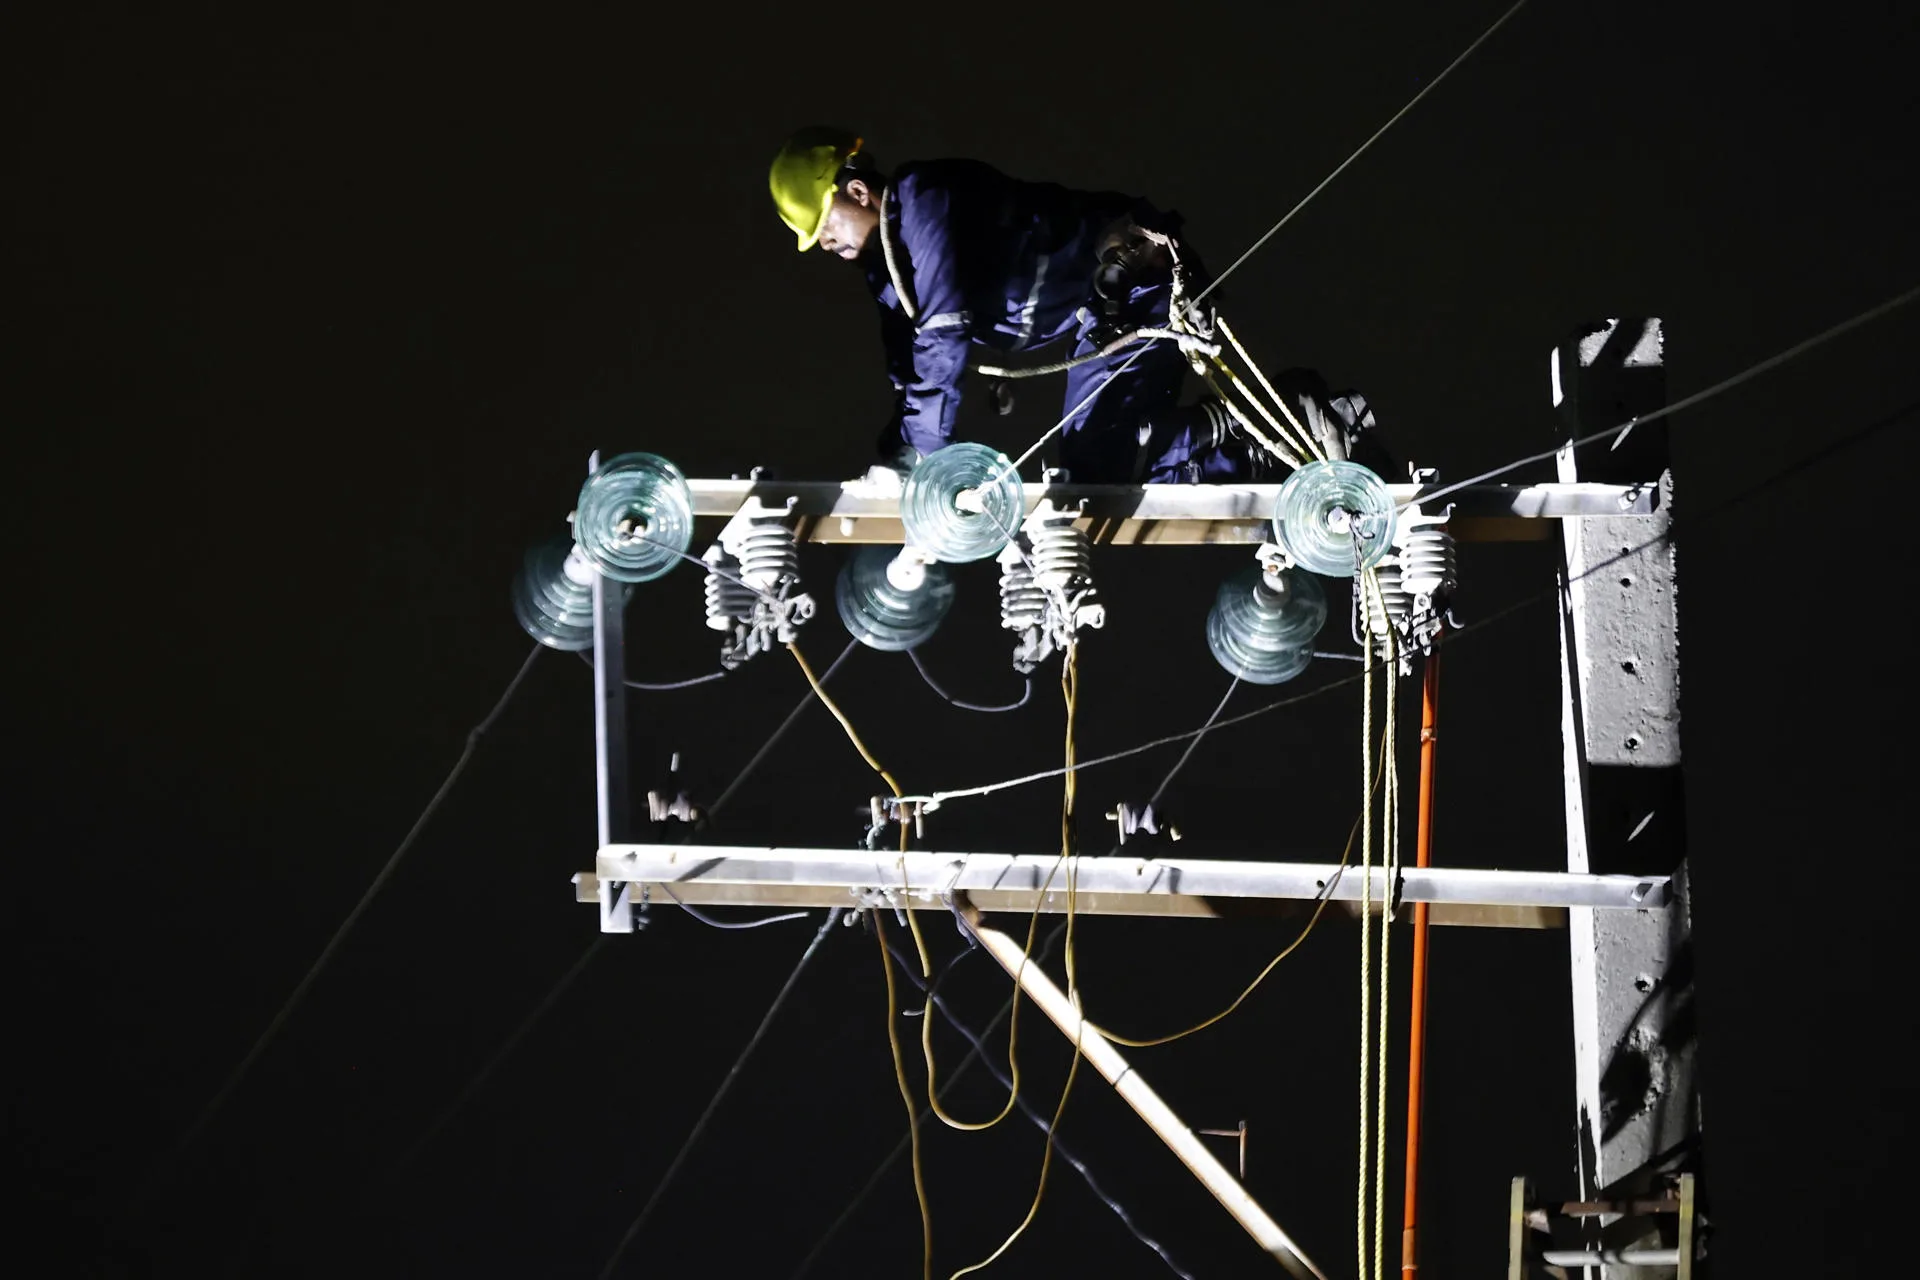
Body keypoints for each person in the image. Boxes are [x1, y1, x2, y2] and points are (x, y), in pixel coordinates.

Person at [770, 128, 1276, 485]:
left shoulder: (925, 198)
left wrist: (923, 459)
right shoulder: (889, 272)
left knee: (1095, 459)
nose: (824, 244)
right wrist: (898, 455)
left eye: (826, 226)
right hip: (1094, 310)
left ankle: (1257, 426)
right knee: (1103, 474)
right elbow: (909, 365)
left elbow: (943, 328)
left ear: (857, 192)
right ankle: (1252, 454)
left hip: (1135, 282)